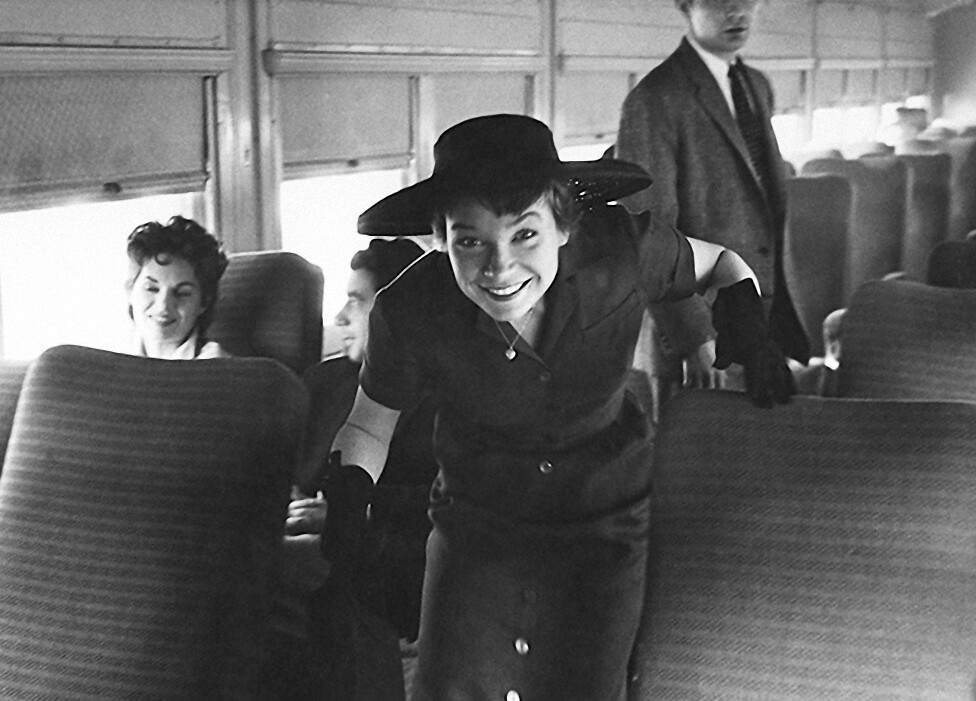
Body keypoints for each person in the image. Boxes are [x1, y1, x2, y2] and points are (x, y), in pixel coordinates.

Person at [321, 113, 793, 701]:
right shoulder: (409, 309)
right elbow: (369, 425)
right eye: (471, 241)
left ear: (564, 225)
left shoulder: (622, 251)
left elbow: (722, 265)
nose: (499, 268)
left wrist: (742, 317)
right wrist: (347, 500)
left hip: (605, 518)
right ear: (440, 239)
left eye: (525, 235)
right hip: (477, 528)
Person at [615, 0, 810, 417]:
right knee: (697, 452)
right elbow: (647, 232)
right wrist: (693, 336)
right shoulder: (654, 98)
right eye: (720, 2)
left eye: (747, 0)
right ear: (686, 5)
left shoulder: (756, 85)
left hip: (763, 317)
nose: (737, 12)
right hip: (703, 331)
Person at [279, 238, 435, 701]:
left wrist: (349, 517)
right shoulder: (321, 382)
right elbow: (287, 472)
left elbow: (432, 513)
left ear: (396, 316)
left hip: (385, 563)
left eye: (356, 302)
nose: (340, 318)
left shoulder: (443, 405)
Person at [125, 215, 229, 359]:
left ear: (204, 302)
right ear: (130, 291)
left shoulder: (220, 368)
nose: (163, 306)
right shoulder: (107, 360)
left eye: (182, 293)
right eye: (151, 289)